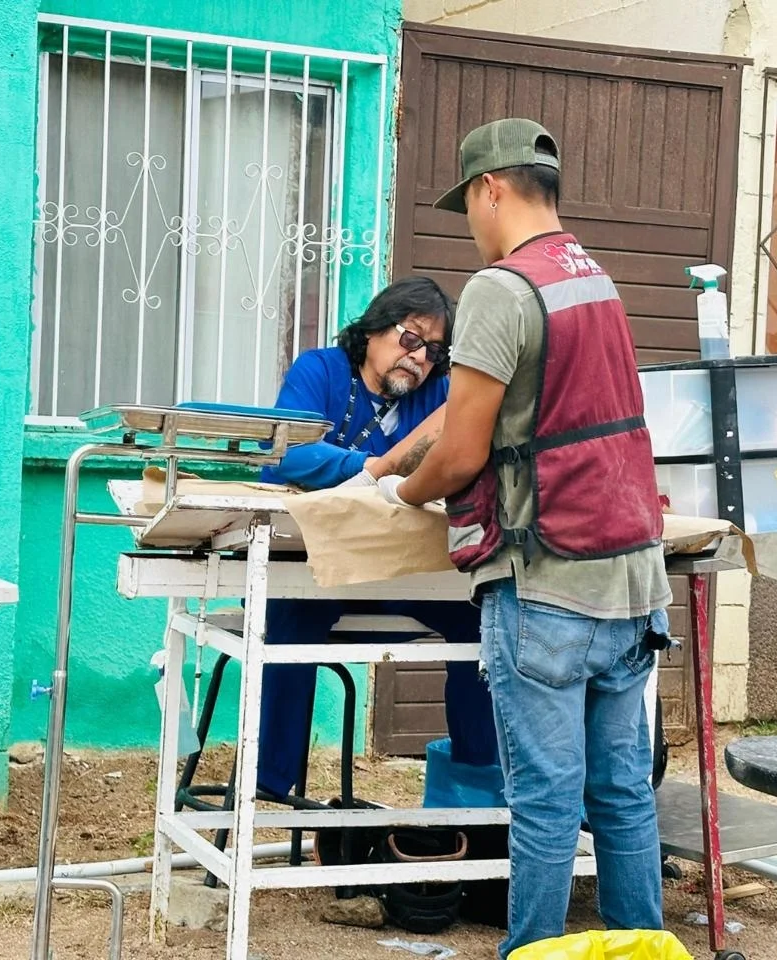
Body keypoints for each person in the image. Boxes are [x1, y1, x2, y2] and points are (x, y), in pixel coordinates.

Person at [377, 119, 672, 956]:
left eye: (467, 202)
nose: (470, 220)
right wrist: (400, 454)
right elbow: (505, 409)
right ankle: (637, 946)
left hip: (546, 585)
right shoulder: (594, 280)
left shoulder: (500, 290)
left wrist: (404, 490)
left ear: (490, 189)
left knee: (544, 800)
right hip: (630, 583)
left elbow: (465, 450)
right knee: (618, 794)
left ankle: (532, 951)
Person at [256, 277, 499, 800]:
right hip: (315, 565)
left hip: (398, 571)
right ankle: (273, 791)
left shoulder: (439, 395)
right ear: (372, 331)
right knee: (287, 628)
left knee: (485, 628)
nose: (420, 358)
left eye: (434, 350)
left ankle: (481, 783)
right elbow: (284, 456)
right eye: (410, 339)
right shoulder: (319, 371)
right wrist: (372, 468)